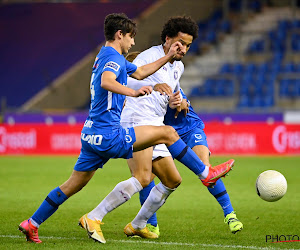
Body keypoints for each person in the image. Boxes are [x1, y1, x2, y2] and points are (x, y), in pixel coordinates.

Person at [18, 13, 234, 244]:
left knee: (73, 185)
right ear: (119, 35)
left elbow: (140, 73)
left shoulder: (108, 56)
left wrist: (168, 56)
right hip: (110, 133)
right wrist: (134, 92)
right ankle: (205, 174)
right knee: (166, 136)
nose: (133, 43)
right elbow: (107, 81)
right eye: (131, 38)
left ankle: (32, 223)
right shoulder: (113, 57)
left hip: (91, 132)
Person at [122, 16, 243, 236]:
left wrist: (180, 101)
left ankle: (230, 214)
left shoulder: (177, 66)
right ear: (167, 40)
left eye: (188, 45)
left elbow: (176, 94)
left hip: (186, 126)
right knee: (148, 177)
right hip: (160, 128)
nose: (184, 49)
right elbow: (130, 82)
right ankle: (148, 224)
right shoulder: (149, 61)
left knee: (200, 167)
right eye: (181, 43)